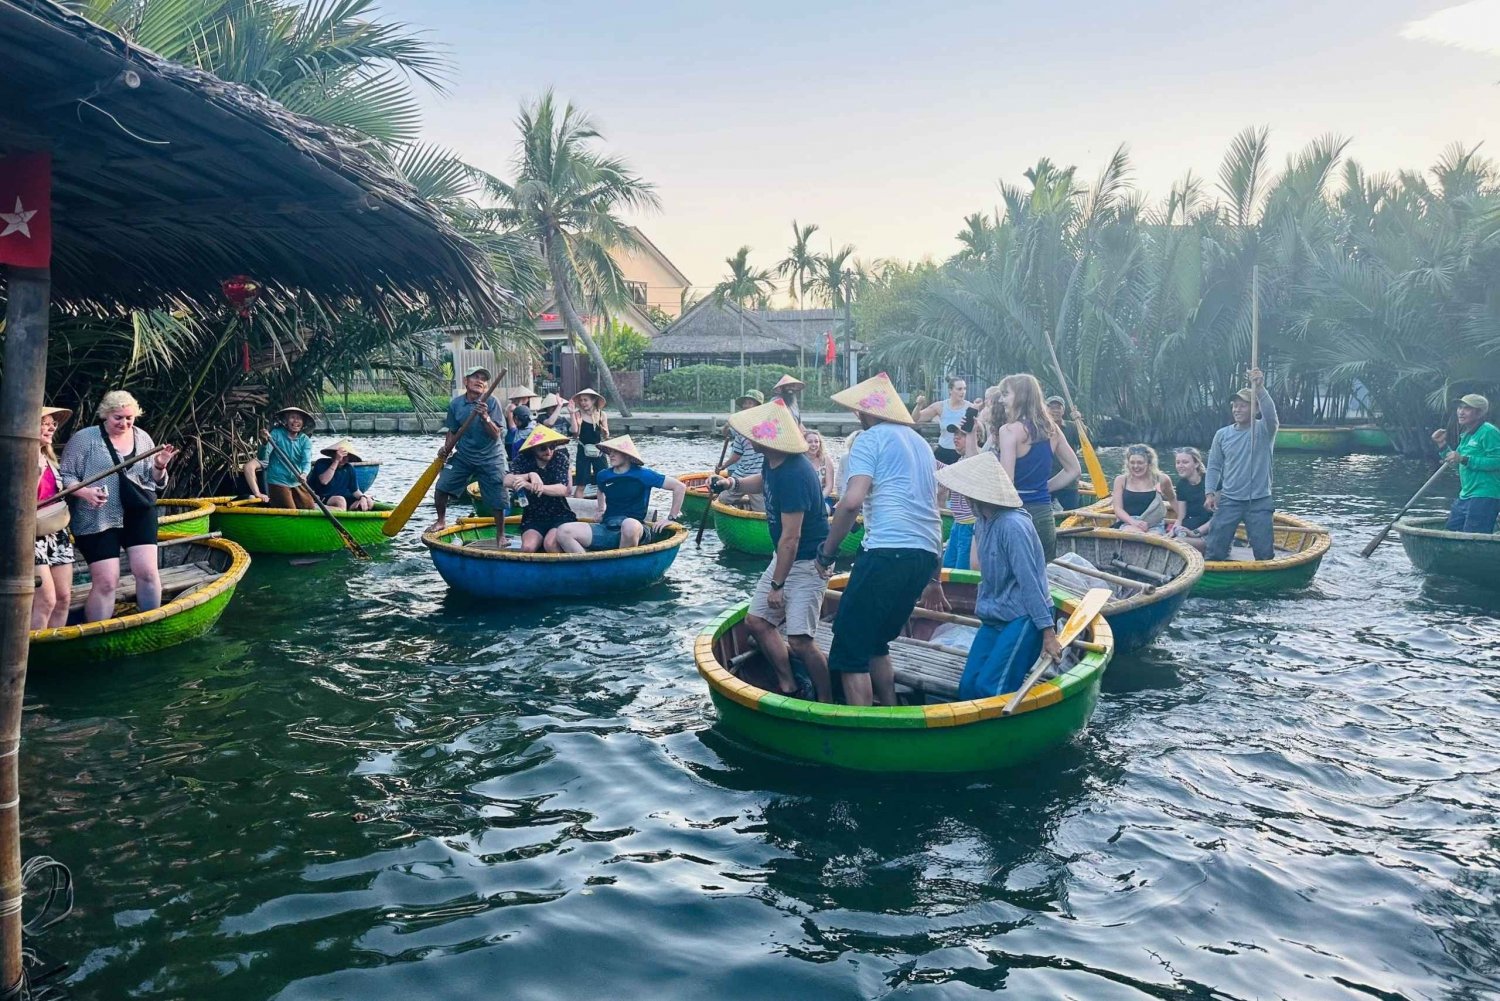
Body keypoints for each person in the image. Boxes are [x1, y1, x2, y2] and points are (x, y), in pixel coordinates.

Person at [816, 373, 945, 707]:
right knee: (876, 643)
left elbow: (851, 502)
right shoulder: (920, 444)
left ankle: (862, 728)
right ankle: (889, 711)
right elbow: (933, 509)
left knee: (849, 649)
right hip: (924, 556)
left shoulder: (868, 441)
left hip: (888, 552)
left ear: (864, 413)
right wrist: (935, 578)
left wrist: (827, 553)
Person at [709, 399, 831, 700]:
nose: (748, 439)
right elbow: (763, 482)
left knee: (801, 640)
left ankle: (828, 698)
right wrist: (732, 483)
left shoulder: (795, 473)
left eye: (754, 435)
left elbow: (792, 538)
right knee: (757, 622)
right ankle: (789, 684)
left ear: (768, 439)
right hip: (786, 558)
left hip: (807, 563)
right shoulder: (774, 461)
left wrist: (777, 585)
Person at [935, 452, 1062, 700]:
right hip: (994, 613)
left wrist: (1048, 633)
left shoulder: (1013, 525)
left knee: (990, 689)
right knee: (968, 687)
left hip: (1023, 617)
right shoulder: (982, 521)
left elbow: (1031, 582)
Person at [60, 390, 178, 622]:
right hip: (96, 516)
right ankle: (97, 630)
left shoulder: (143, 437)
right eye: (118, 418)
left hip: (138, 512)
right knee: (106, 581)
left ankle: (150, 624)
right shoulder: (85, 439)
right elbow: (65, 475)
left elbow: (154, 482)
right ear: (105, 415)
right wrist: (84, 492)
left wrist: (160, 466)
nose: (124, 423)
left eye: (129, 418)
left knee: (147, 573)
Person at [989, 373, 1079, 560]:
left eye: (1006, 394)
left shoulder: (1008, 430)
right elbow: (1074, 470)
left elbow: (1007, 481)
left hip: (1016, 515)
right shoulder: (1052, 429)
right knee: (1042, 575)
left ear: (1020, 396)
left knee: (1012, 578)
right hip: (1044, 514)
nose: (1001, 399)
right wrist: (1045, 487)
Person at [556, 436, 685, 552]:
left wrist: (670, 518)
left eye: (616, 452)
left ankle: (622, 566)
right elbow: (600, 491)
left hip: (636, 529)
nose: (611, 455)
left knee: (629, 525)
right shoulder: (603, 475)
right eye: (610, 451)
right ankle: (590, 567)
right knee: (563, 531)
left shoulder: (644, 474)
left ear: (627, 455)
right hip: (608, 528)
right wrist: (601, 509)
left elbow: (679, 487)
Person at [1204, 367, 1279, 561]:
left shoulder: (1264, 430)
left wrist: (1261, 388)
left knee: (1264, 553)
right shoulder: (1222, 434)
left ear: (1255, 408)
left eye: (1243, 405)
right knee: (1214, 549)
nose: (1237, 409)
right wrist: (1210, 492)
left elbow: (1270, 414)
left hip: (1259, 500)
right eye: (1234, 405)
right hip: (1229, 499)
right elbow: (1214, 466)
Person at [430, 366, 508, 539]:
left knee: (498, 495)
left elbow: (496, 435)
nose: (480, 380)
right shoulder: (456, 404)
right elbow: (452, 430)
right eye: (475, 377)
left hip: (491, 457)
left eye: (483, 378)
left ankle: (500, 534)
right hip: (464, 456)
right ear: (466, 381)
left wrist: (485, 416)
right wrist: (446, 449)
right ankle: (441, 520)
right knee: (442, 486)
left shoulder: (492, 402)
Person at [33, 405, 75, 631]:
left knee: (63, 598)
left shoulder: (48, 458)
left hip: (56, 532)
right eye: (45, 423)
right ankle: (28, 653)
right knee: (45, 600)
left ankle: (53, 646)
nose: (51, 428)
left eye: (53, 424)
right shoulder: (17, 458)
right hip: (29, 536)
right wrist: (36, 475)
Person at [1433, 393, 1500, 533]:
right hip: (1465, 495)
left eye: (1467, 408)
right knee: (1451, 532)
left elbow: (1497, 461)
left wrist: (1464, 459)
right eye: (1460, 407)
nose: (1461, 412)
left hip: (1484, 495)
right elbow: (1456, 463)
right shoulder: (1467, 435)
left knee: (1473, 536)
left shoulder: (1488, 432)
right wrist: (1442, 445)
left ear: (1479, 412)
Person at [509, 425, 576, 552]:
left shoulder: (560, 458)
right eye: (543, 448)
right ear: (534, 449)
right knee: (527, 547)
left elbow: (563, 489)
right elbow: (507, 480)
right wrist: (531, 475)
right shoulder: (523, 459)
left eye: (552, 447)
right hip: (533, 516)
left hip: (559, 515)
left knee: (550, 544)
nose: (549, 451)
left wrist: (531, 485)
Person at [246, 406, 316, 508]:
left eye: (299, 418)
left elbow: (306, 461)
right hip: (278, 480)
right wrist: (265, 442)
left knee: (309, 508)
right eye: (292, 417)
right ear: (285, 421)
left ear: (303, 423)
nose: (296, 421)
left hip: (297, 480)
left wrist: (304, 474)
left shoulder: (305, 440)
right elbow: (262, 457)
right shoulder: (276, 434)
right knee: (290, 510)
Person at [1111, 444, 1177, 533]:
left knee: (1153, 538)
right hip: (1128, 523)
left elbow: (1172, 499)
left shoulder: (1161, 479)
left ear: (1149, 463)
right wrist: (1133, 522)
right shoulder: (1121, 480)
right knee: (1132, 533)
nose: (1135, 466)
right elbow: (1118, 509)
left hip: (1154, 524)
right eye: (1132, 463)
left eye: (1140, 463)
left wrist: (1182, 519)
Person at [721, 390, 767, 513]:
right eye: (745, 403)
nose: (746, 406)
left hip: (758, 475)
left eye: (750, 403)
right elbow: (737, 453)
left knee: (762, 511)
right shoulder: (740, 426)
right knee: (722, 499)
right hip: (742, 473)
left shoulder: (766, 426)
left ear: (757, 406)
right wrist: (723, 466)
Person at [941, 419, 978, 570]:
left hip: (970, 524)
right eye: (955, 434)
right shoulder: (960, 459)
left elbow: (953, 476)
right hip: (958, 523)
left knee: (962, 570)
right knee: (947, 565)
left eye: (961, 435)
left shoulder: (977, 457)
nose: (955, 438)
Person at [915, 377, 974, 465]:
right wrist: (919, 405)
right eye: (959, 389)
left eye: (964, 389)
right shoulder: (940, 406)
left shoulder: (970, 407)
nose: (963, 392)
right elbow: (916, 418)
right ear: (950, 390)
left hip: (962, 454)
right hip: (943, 451)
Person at [310, 440, 374, 511]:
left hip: (342, 498)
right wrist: (336, 461)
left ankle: (352, 516)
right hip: (322, 498)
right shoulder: (321, 463)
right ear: (334, 454)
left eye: (346, 456)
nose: (342, 459)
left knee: (369, 501)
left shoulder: (349, 468)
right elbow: (324, 481)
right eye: (340, 455)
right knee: (340, 500)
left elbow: (355, 491)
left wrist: (363, 497)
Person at [1169, 446, 1213, 550]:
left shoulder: (1211, 481)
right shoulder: (1181, 485)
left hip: (1210, 535)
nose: (1180, 466)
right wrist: (1172, 532)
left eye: (1185, 462)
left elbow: (1218, 518)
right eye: (1178, 462)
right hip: (1190, 531)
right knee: (1168, 541)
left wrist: (1195, 533)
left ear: (1196, 463)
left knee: (1178, 543)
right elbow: (1181, 517)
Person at [571, 388, 610, 498]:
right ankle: (578, 510)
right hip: (583, 450)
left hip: (599, 451)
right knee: (581, 484)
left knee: (603, 482)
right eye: (581, 400)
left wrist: (605, 432)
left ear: (593, 400)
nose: (583, 403)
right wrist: (577, 423)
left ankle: (605, 507)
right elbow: (575, 435)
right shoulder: (578, 414)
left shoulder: (602, 415)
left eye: (585, 400)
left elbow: (606, 436)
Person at [1046, 395, 1083, 511]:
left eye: (1058, 407)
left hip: (1068, 482)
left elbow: (1087, 440)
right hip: (1047, 481)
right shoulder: (1041, 427)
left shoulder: (1072, 427)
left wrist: (1079, 421)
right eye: (1052, 407)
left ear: (1063, 410)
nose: (1055, 410)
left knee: (1070, 514)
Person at [804, 430, 838, 506]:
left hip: (823, 498)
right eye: (810, 442)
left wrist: (818, 499)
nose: (814, 444)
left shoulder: (826, 460)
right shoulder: (798, 461)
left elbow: (829, 486)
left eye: (816, 442)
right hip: (803, 499)